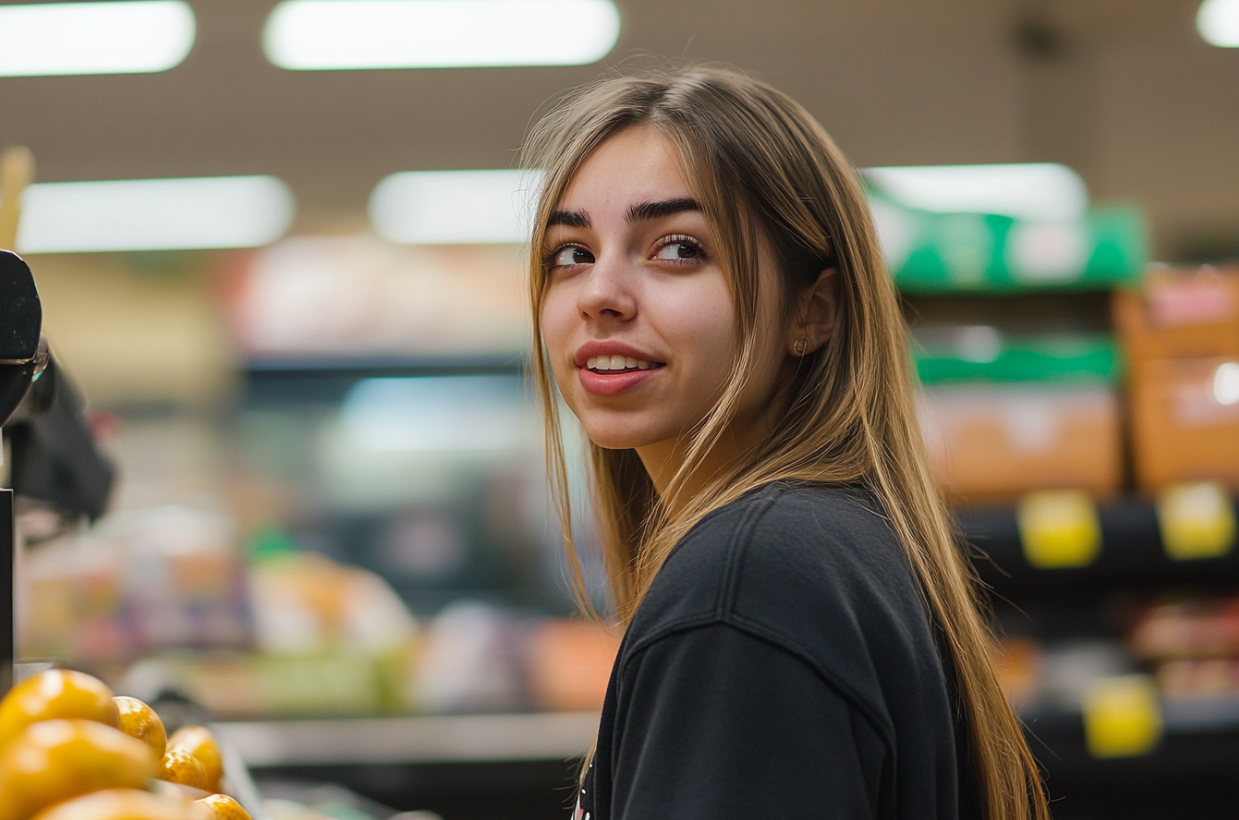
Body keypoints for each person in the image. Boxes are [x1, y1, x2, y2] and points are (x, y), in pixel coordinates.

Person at [521, 66, 1049, 820]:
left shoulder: (741, 586)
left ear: (814, 310)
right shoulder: (826, 546)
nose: (600, 292)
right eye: (570, 253)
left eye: (676, 249)